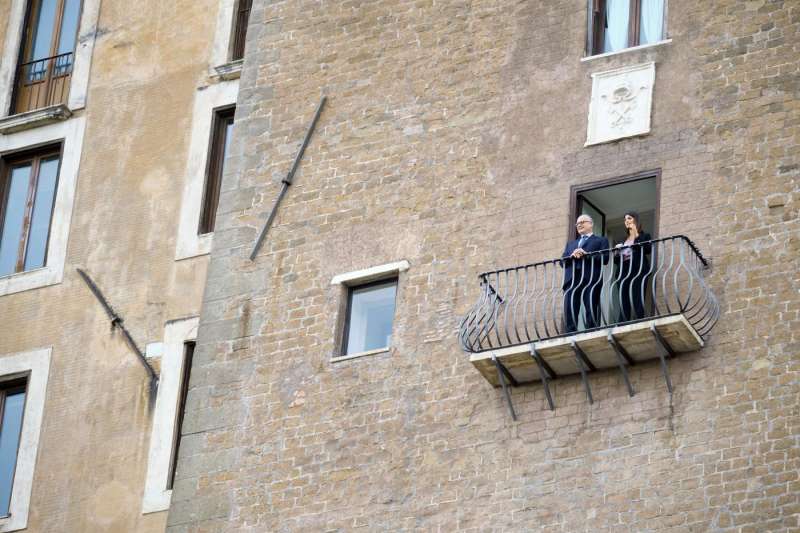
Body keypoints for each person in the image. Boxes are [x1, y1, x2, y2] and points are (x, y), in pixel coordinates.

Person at [561, 214, 610, 332]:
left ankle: (591, 332)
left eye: (582, 222)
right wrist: (571, 256)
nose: (579, 225)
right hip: (572, 279)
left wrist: (586, 254)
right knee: (570, 308)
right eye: (577, 223)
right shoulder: (571, 244)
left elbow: (605, 258)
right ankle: (570, 334)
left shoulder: (600, 240)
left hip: (591, 278)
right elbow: (562, 262)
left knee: (591, 306)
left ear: (591, 224)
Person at [614, 212, 652, 322]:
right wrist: (617, 252)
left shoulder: (645, 236)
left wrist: (635, 232)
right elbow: (616, 261)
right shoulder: (622, 240)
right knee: (623, 297)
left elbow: (647, 249)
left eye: (629, 218)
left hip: (638, 269)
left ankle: (639, 320)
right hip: (623, 270)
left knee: (637, 296)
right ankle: (622, 323)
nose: (626, 221)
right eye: (625, 219)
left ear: (636, 220)